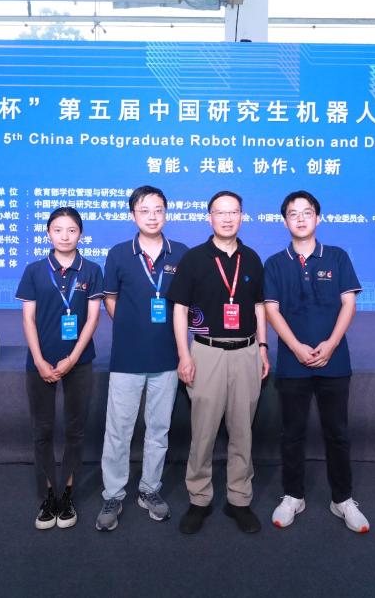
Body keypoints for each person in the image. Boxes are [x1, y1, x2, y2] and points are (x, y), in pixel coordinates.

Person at [263, 190, 370, 533]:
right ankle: (293, 495)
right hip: (292, 362)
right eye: (293, 213)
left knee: (337, 432)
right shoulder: (274, 263)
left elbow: (349, 304)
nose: (300, 218)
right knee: (292, 433)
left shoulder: (337, 257)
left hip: (334, 361)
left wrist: (331, 343)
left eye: (306, 212)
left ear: (318, 218)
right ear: (284, 221)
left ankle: (343, 499)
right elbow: (271, 310)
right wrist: (295, 347)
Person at [166, 190, 269, 534]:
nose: (227, 218)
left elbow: (259, 306)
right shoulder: (194, 259)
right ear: (209, 217)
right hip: (206, 352)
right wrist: (184, 355)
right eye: (220, 212)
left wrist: (263, 347)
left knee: (242, 431)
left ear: (242, 216)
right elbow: (179, 309)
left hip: (247, 352)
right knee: (204, 432)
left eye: (233, 212)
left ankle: (239, 499)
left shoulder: (251, 259)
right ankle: (199, 499)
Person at [95, 186, 189, 531]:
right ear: (132, 214)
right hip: (127, 357)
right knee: (118, 430)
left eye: (158, 209)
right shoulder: (119, 253)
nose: (152, 216)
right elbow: (110, 299)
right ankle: (113, 494)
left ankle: (150, 489)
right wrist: (130, 325)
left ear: (166, 213)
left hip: (167, 357)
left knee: (158, 430)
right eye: (144, 210)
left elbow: (184, 304)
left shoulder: (181, 253)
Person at [15, 206, 104, 530]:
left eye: (71, 230)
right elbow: (28, 319)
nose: (65, 236)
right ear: (48, 233)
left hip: (78, 361)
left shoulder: (91, 270)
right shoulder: (35, 270)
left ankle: (66, 493)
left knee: (75, 431)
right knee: (42, 431)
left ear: (81, 234)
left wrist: (73, 357)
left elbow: (92, 319)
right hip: (40, 362)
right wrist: (40, 360)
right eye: (58, 230)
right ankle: (48, 495)